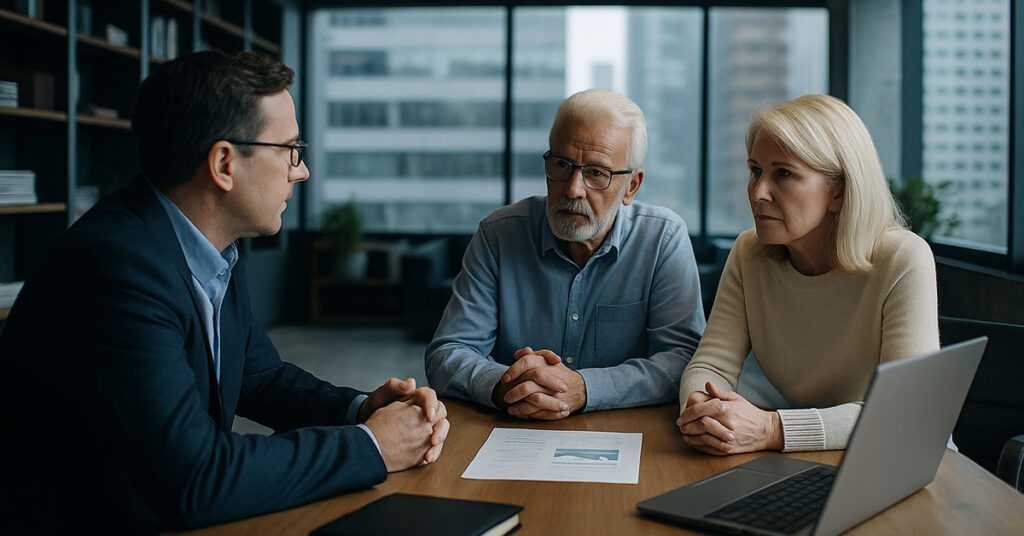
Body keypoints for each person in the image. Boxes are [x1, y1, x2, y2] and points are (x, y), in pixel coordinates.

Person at [0, 51, 448, 533]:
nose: (301, 172)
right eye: (291, 150)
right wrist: (372, 445)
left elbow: (260, 377)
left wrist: (360, 409)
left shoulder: (206, 245)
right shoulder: (115, 268)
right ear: (224, 163)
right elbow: (195, 478)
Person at [677, 94, 939, 454]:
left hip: (896, 460)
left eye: (783, 174)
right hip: (805, 460)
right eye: (755, 170)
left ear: (840, 192)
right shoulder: (748, 252)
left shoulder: (903, 258)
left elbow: (906, 412)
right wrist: (704, 411)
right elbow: (710, 364)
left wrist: (773, 429)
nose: (757, 192)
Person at [425, 89, 705, 419]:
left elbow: (683, 358)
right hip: (514, 429)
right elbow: (448, 352)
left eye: (596, 173)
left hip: (625, 433)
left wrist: (585, 388)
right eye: (562, 164)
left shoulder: (661, 238)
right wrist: (507, 384)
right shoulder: (499, 234)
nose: (572, 189)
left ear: (631, 186)